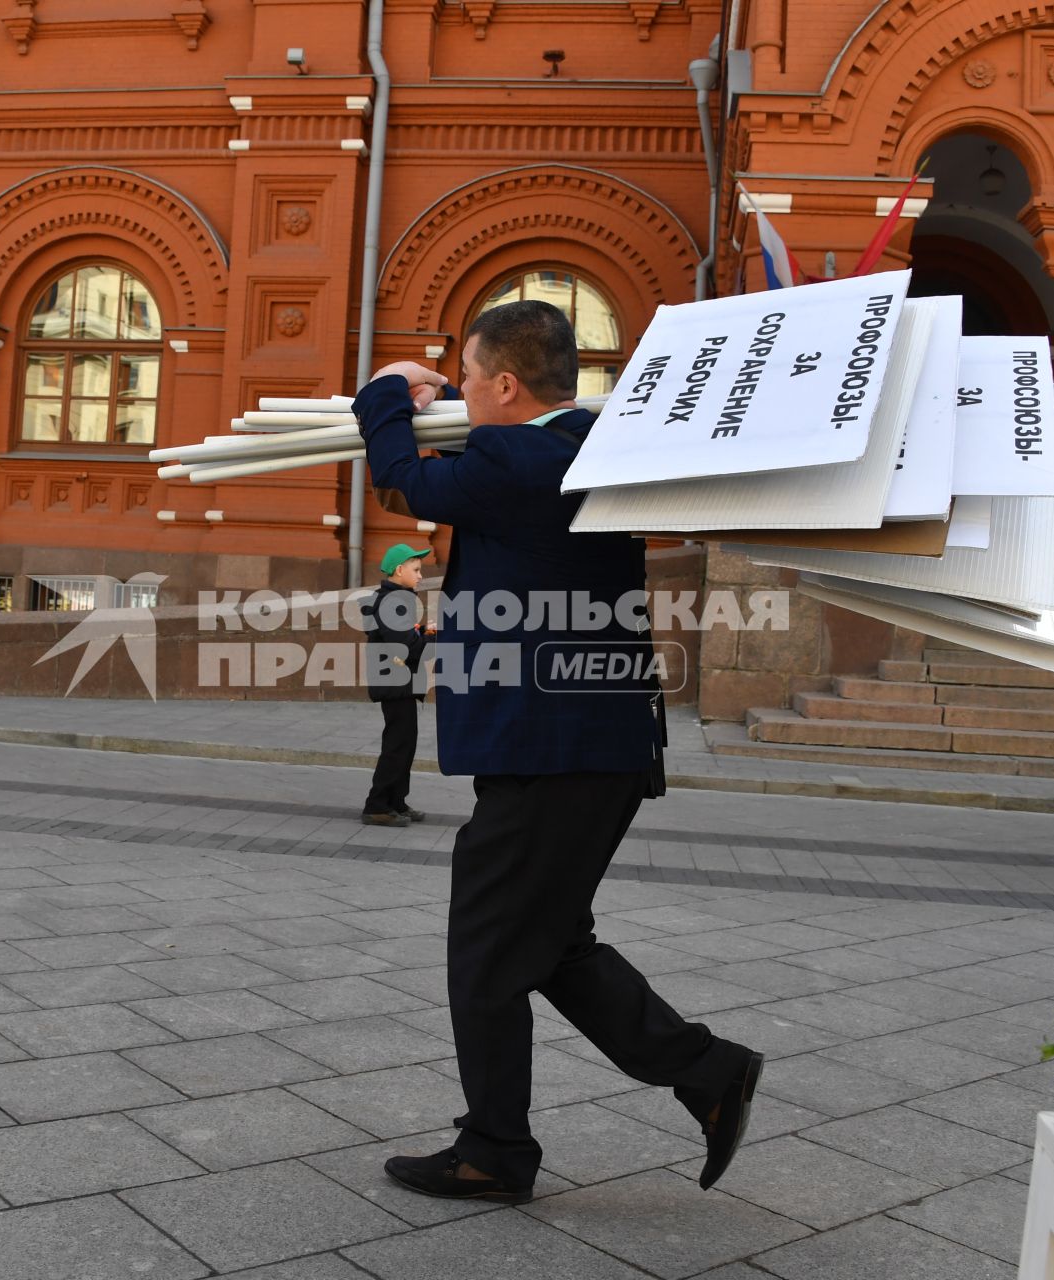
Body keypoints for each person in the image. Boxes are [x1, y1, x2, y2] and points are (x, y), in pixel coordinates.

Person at [352, 300, 760, 1204]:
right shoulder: (586, 452)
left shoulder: (526, 455)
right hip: (588, 747)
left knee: (486, 954)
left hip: (554, 749)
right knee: (547, 943)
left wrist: (384, 391)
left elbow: (402, 480)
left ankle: (496, 1151)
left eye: (463, 374)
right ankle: (708, 1072)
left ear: (503, 384)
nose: (455, 389)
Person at [361, 543, 433, 827]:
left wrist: (424, 632)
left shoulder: (396, 599)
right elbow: (408, 646)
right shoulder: (392, 602)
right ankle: (377, 805)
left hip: (399, 680)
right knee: (397, 745)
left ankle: (396, 802)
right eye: (415, 570)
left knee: (404, 744)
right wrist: (438, 640)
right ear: (399, 570)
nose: (420, 575)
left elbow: (405, 637)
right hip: (394, 679)